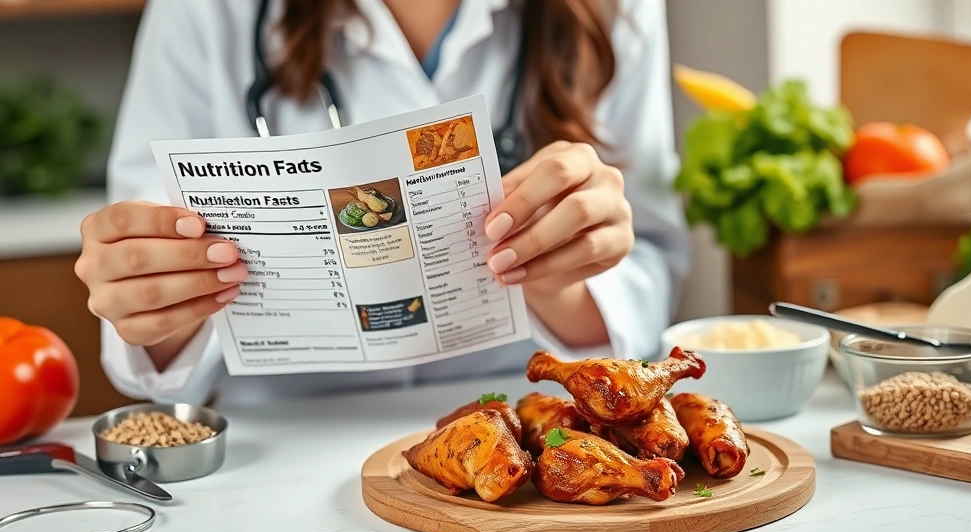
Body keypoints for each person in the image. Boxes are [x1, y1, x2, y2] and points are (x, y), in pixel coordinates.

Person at [74, 0, 690, 406]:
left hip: (530, 442)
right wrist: (154, 295)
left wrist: (556, 272)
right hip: (284, 447)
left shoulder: (616, 9)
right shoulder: (207, 12)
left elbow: (651, 272)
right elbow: (149, 337)